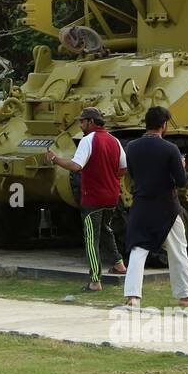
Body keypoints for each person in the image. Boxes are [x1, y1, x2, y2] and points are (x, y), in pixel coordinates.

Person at [46, 107, 127, 291]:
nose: (80, 124)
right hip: (112, 196)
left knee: (91, 239)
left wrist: (55, 160)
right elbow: (123, 168)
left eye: (82, 121)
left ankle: (95, 281)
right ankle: (119, 264)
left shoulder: (87, 140)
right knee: (106, 230)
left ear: (91, 122)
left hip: (93, 198)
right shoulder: (114, 140)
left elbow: (76, 166)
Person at [122, 105, 188, 309]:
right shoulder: (170, 149)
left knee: (138, 249)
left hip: (141, 204)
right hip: (166, 207)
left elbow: (133, 175)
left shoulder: (132, 147)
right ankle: (183, 295)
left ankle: (133, 297)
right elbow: (181, 181)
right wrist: (182, 166)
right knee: (178, 250)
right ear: (163, 125)